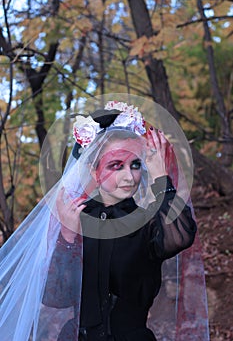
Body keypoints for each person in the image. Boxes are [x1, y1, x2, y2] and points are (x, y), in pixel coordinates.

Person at [0, 100, 208, 341]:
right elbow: (55, 298)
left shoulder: (148, 219)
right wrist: (68, 237)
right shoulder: (76, 218)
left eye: (135, 164)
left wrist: (161, 177)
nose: (129, 177)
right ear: (93, 171)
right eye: (116, 166)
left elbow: (180, 237)